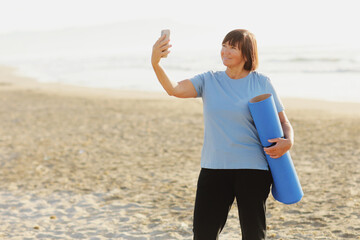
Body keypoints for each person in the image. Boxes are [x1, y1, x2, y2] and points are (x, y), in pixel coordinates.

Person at [151, 29, 294, 240]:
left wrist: (288, 141)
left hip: (253, 169)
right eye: (224, 46)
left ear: (246, 54)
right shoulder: (209, 80)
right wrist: (156, 64)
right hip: (214, 167)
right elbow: (174, 89)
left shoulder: (261, 82)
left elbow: (283, 122)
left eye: (232, 48)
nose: (225, 51)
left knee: (253, 235)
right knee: (203, 234)